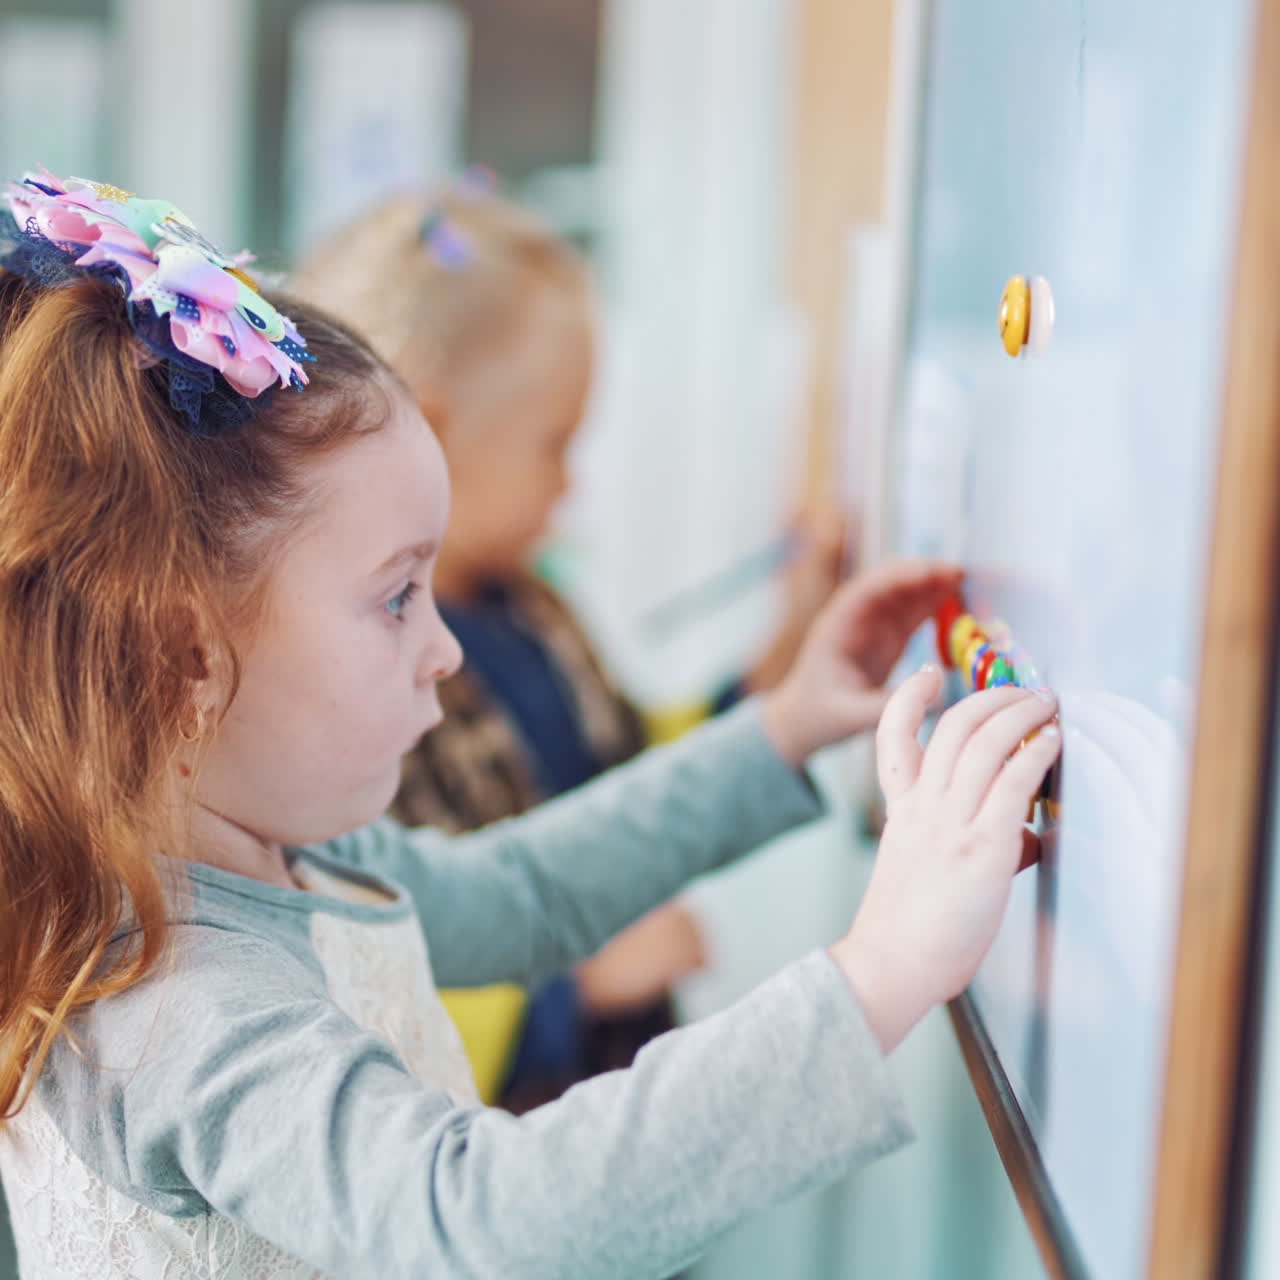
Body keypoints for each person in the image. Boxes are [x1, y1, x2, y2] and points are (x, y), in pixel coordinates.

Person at [0, 173, 1060, 1279]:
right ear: (187, 666)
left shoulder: (296, 856)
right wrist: (883, 965)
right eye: (397, 595)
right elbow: (482, 1218)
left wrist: (783, 727)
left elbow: (525, 892)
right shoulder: (173, 1012)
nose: (446, 648)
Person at [290, 185, 849, 1107]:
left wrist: (791, 650)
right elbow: (366, 968)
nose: (570, 485)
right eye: (555, 444)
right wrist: (573, 988)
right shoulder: (356, 690)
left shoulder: (535, 604)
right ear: (427, 432)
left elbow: (632, 766)